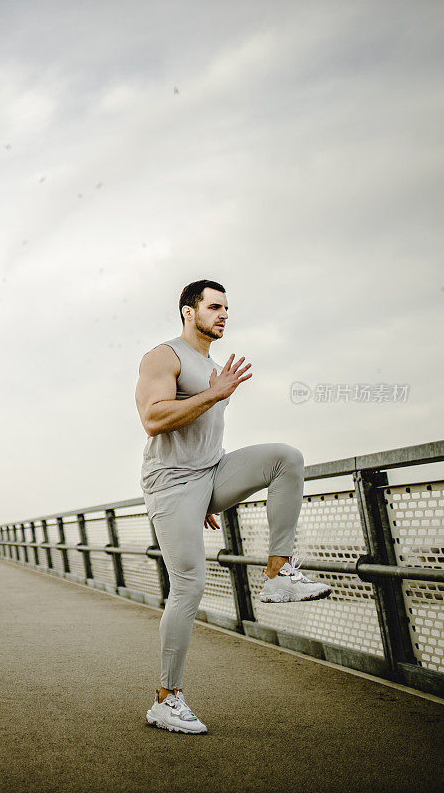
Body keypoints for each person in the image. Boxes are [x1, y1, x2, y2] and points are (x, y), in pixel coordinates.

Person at [135, 279, 331, 734]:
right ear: (189, 310)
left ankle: (279, 572)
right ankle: (167, 698)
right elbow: (153, 419)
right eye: (215, 307)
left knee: (286, 457)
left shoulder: (214, 365)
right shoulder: (164, 357)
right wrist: (215, 394)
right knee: (188, 586)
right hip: (171, 483)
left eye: (227, 309)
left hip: (208, 473)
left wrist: (210, 492)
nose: (224, 315)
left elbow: (203, 436)